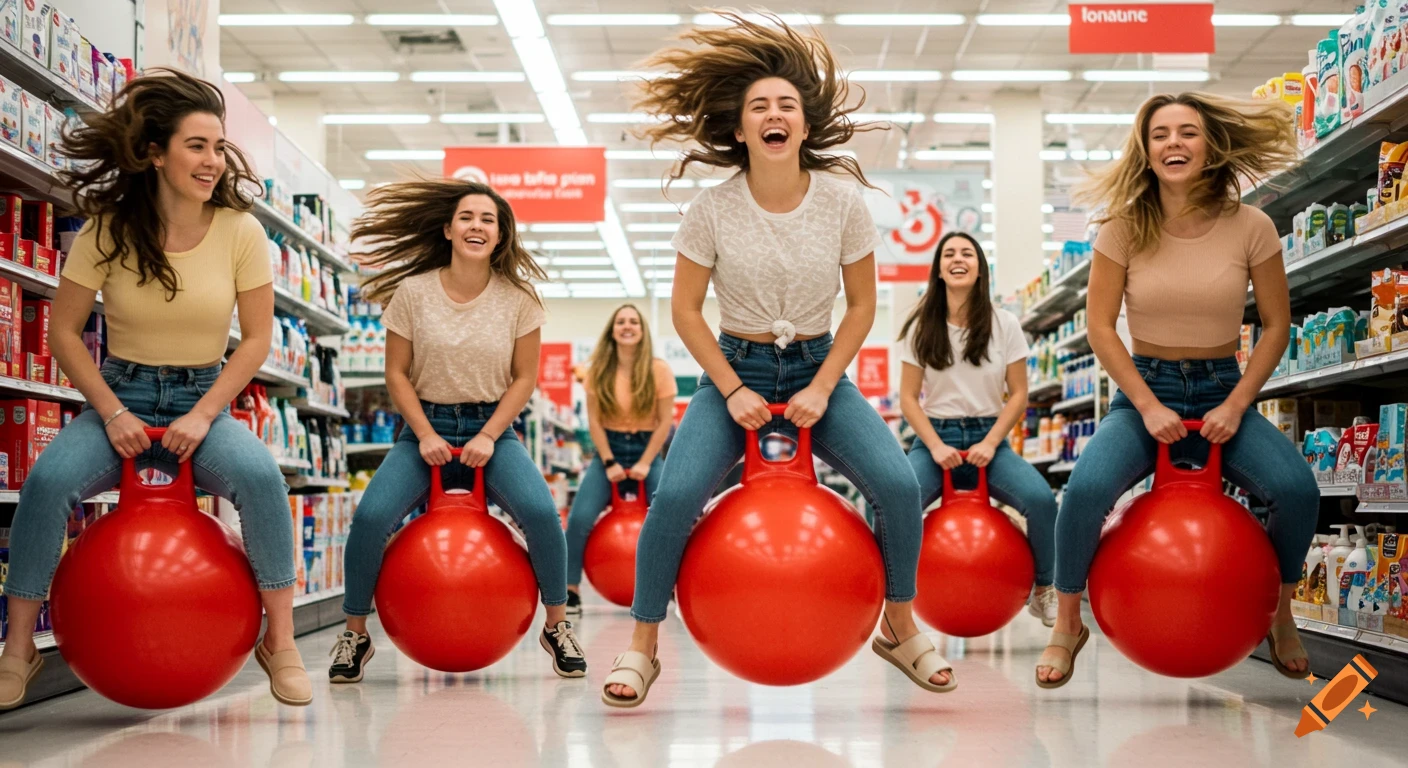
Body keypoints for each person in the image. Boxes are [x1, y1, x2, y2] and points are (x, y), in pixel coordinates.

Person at [601, 12, 951, 708]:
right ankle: (642, 647)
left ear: (803, 126)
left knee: (900, 485)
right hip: (735, 372)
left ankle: (900, 625)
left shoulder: (843, 204)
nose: (774, 113)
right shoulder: (711, 210)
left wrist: (824, 386)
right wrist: (729, 390)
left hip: (821, 371)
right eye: (759, 106)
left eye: (786, 105)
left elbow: (859, 307)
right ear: (740, 130)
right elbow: (685, 311)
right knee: (672, 496)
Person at [0, 69, 311, 709]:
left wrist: (204, 414)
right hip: (122, 394)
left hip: (202, 398)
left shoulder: (240, 231)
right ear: (154, 153)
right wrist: (110, 414)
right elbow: (62, 333)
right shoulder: (108, 228)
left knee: (261, 479)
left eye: (219, 147)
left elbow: (254, 341)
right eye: (197, 145)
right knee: (48, 482)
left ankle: (279, 641)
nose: (212, 161)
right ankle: (19, 649)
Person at [1035, 92, 1317, 688]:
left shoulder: (1253, 225)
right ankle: (1067, 625)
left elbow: (1275, 325)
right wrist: (1146, 403)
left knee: (1295, 489)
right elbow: (1100, 327)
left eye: (1187, 132)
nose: (1174, 144)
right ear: (1145, 150)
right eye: (1160, 135)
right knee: (1083, 491)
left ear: (1210, 146)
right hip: (1147, 389)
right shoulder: (1121, 229)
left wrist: (1238, 403)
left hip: (1223, 389)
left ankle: (1281, 614)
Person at [328, 180, 585, 683]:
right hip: (424, 425)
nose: (477, 226)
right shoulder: (414, 293)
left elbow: (525, 378)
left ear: (500, 235)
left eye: (488, 220)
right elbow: (396, 374)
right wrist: (423, 433)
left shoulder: (520, 299)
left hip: (493, 428)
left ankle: (557, 625)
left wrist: (489, 434)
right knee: (371, 516)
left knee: (539, 513)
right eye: (467, 217)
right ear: (448, 229)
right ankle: (354, 634)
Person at [898, 232, 1058, 627]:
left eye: (967, 253)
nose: (958, 259)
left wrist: (991, 442)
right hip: (935, 441)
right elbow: (907, 398)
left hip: (991, 440)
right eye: (949, 254)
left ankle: (1044, 589)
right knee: (894, 502)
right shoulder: (921, 327)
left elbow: (1019, 393)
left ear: (980, 269)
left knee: (1040, 500)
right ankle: (893, 599)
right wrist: (935, 446)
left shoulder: (1005, 324)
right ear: (938, 270)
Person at [565, 305, 676, 615]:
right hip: (609, 450)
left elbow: (664, 423)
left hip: (647, 448)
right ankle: (570, 591)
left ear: (642, 330)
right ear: (612, 330)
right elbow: (595, 423)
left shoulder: (659, 370)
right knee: (579, 519)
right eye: (621, 322)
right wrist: (610, 461)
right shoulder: (597, 370)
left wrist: (645, 462)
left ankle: (671, 586)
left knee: (670, 515)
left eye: (633, 322)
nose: (627, 326)